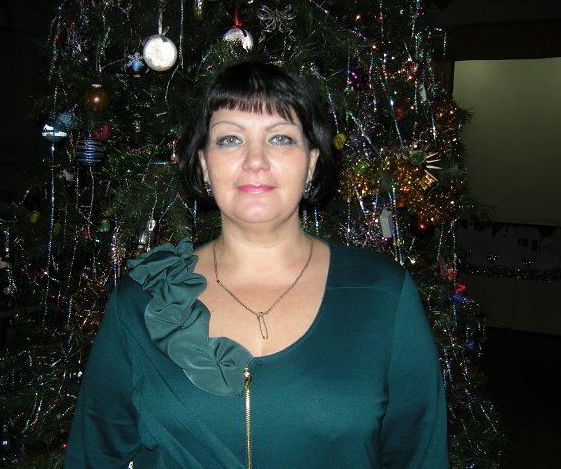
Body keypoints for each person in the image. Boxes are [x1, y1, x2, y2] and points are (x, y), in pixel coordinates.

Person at [64, 61, 449, 468]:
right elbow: (93, 458)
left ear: (311, 163)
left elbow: (420, 458)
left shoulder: (382, 294)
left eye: (280, 138)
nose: (255, 160)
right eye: (230, 139)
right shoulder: (143, 299)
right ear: (203, 164)